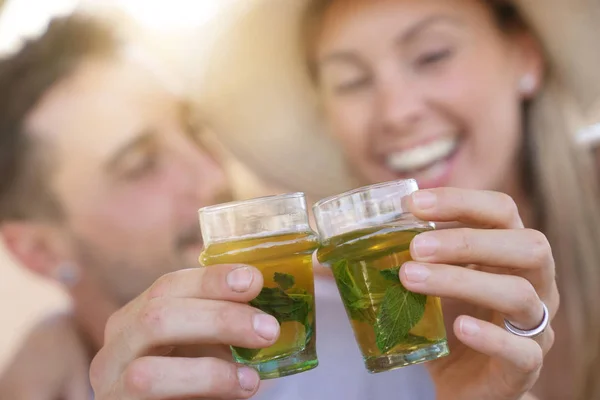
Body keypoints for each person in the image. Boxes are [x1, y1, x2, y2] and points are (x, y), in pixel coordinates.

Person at [194, 0, 600, 398]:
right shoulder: (309, 332)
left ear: (526, 55)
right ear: (327, 116)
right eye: (352, 82)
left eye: (431, 56)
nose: (396, 112)